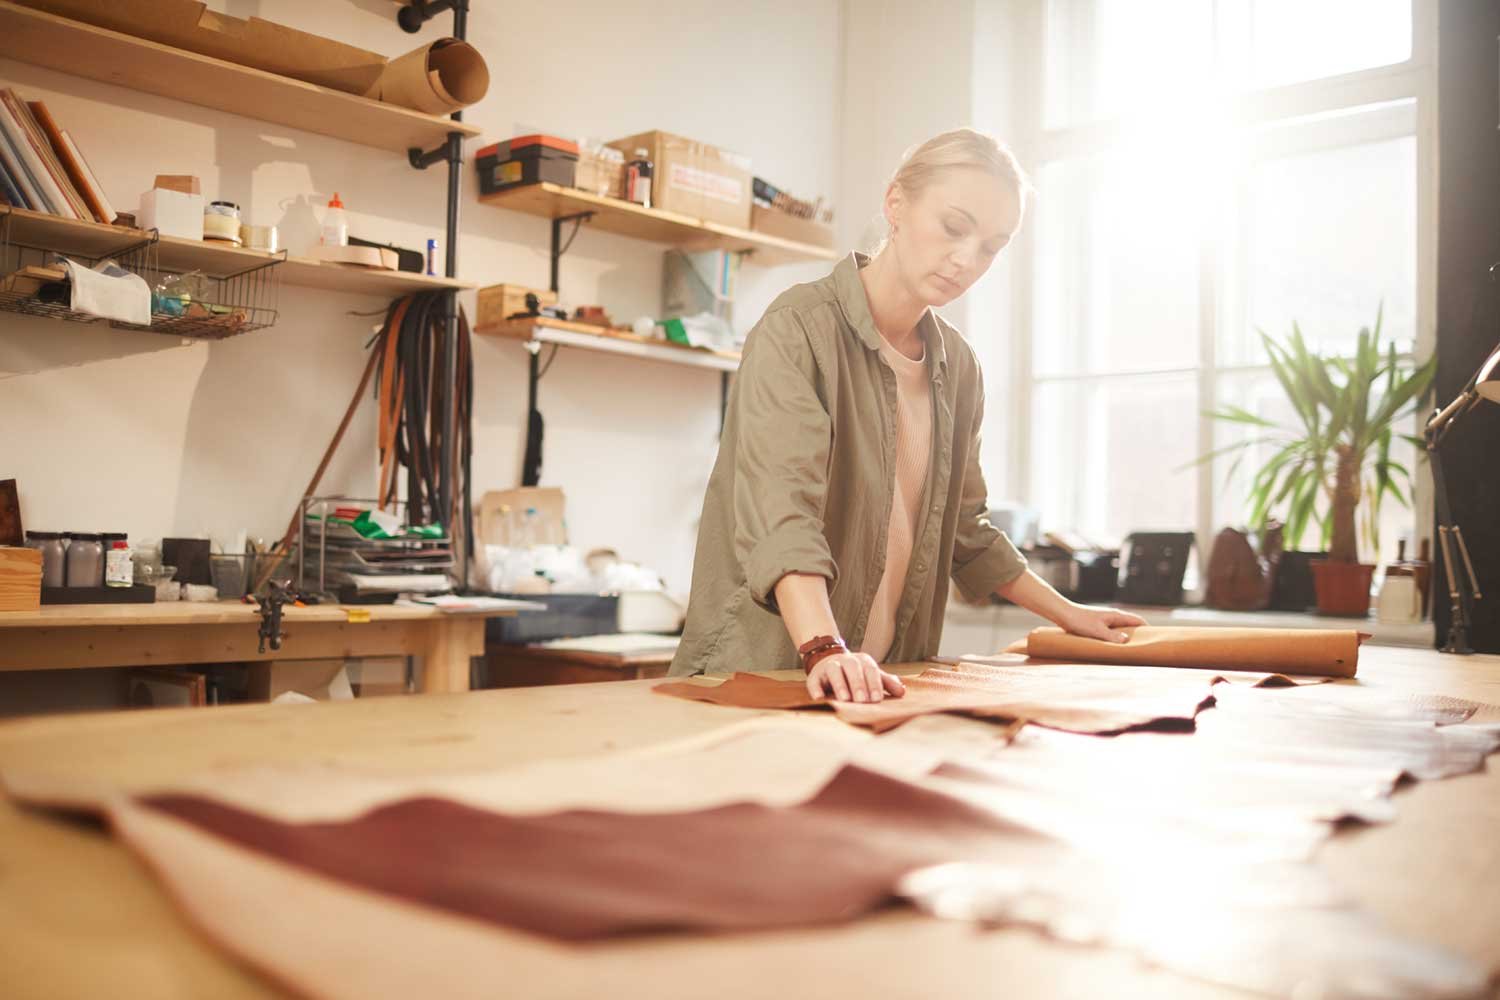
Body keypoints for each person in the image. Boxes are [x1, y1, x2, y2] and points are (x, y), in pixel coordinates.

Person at [667, 127, 1145, 701]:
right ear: (896, 203)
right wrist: (824, 647)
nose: (968, 259)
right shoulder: (798, 329)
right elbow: (781, 515)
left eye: (993, 245)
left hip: (883, 679)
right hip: (764, 670)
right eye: (953, 226)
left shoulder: (959, 367)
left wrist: (1072, 614)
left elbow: (967, 532)